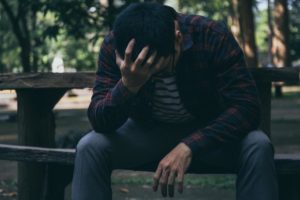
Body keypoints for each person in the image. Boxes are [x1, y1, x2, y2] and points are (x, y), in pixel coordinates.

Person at [71, 2, 278, 200]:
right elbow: (99, 121)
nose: (154, 77)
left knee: (258, 145)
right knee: (90, 147)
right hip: (146, 131)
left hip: (208, 132)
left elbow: (247, 107)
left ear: (178, 39)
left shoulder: (211, 35)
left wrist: (189, 146)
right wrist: (128, 85)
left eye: (161, 70)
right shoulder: (116, 45)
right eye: (146, 72)